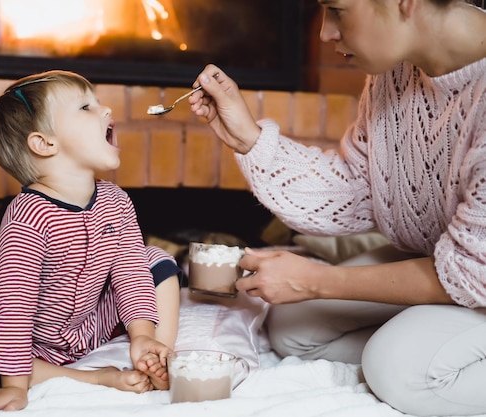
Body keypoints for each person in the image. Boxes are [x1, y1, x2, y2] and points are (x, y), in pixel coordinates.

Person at [189, 1, 486, 416]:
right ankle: (425, 348)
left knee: (397, 369)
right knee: (294, 328)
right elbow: (359, 186)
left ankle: (410, 359)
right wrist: (250, 139)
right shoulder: (396, 72)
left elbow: (475, 271)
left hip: (477, 277)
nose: (325, 33)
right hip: (444, 259)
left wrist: (317, 281)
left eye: (337, 10)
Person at [0, 70, 181, 412]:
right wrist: (15, 387)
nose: (105, 111)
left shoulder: (115, 201)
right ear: (45, 143)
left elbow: (130, 270)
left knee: (154, 259)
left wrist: (143, 334)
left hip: (91, 323)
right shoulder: (28, 218)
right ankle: (97, 378)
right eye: (86, 107)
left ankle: (155, 358)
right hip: (37, 346)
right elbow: (12, 308)